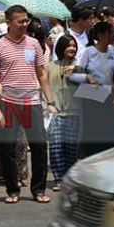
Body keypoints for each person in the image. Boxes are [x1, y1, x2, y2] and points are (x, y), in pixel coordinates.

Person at [0, 5, 58, 205]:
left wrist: (50, 101)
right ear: (8, 23)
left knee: (39, 147)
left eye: (26, 20)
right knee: (7, 149)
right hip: (8, 102)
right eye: (20, 21)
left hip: (33, 101)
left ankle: (38, 189)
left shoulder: (34, 44)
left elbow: (42, 74)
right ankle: (12, 189)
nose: (25, 24)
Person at [70, 22, 114, 158]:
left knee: (109, 129)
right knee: (93, 129)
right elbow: (72, 75)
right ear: (100, 35)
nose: (113, 36)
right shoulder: (88, 52)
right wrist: (87, 77)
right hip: (92, 95)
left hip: (109, 94)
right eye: (110, 33)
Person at [45, 35, 82, 191]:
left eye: (74, 45)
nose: (71, 48)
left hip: (74, 113)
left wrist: (77, 70)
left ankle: (70, 178)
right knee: (55, 148)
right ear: (61, 48)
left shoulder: (80, 66)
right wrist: (47, 106)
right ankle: (58, 178)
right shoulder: (50, 66)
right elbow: (43, 88)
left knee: (71, 149)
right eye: (68, 46)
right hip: (55, 113)